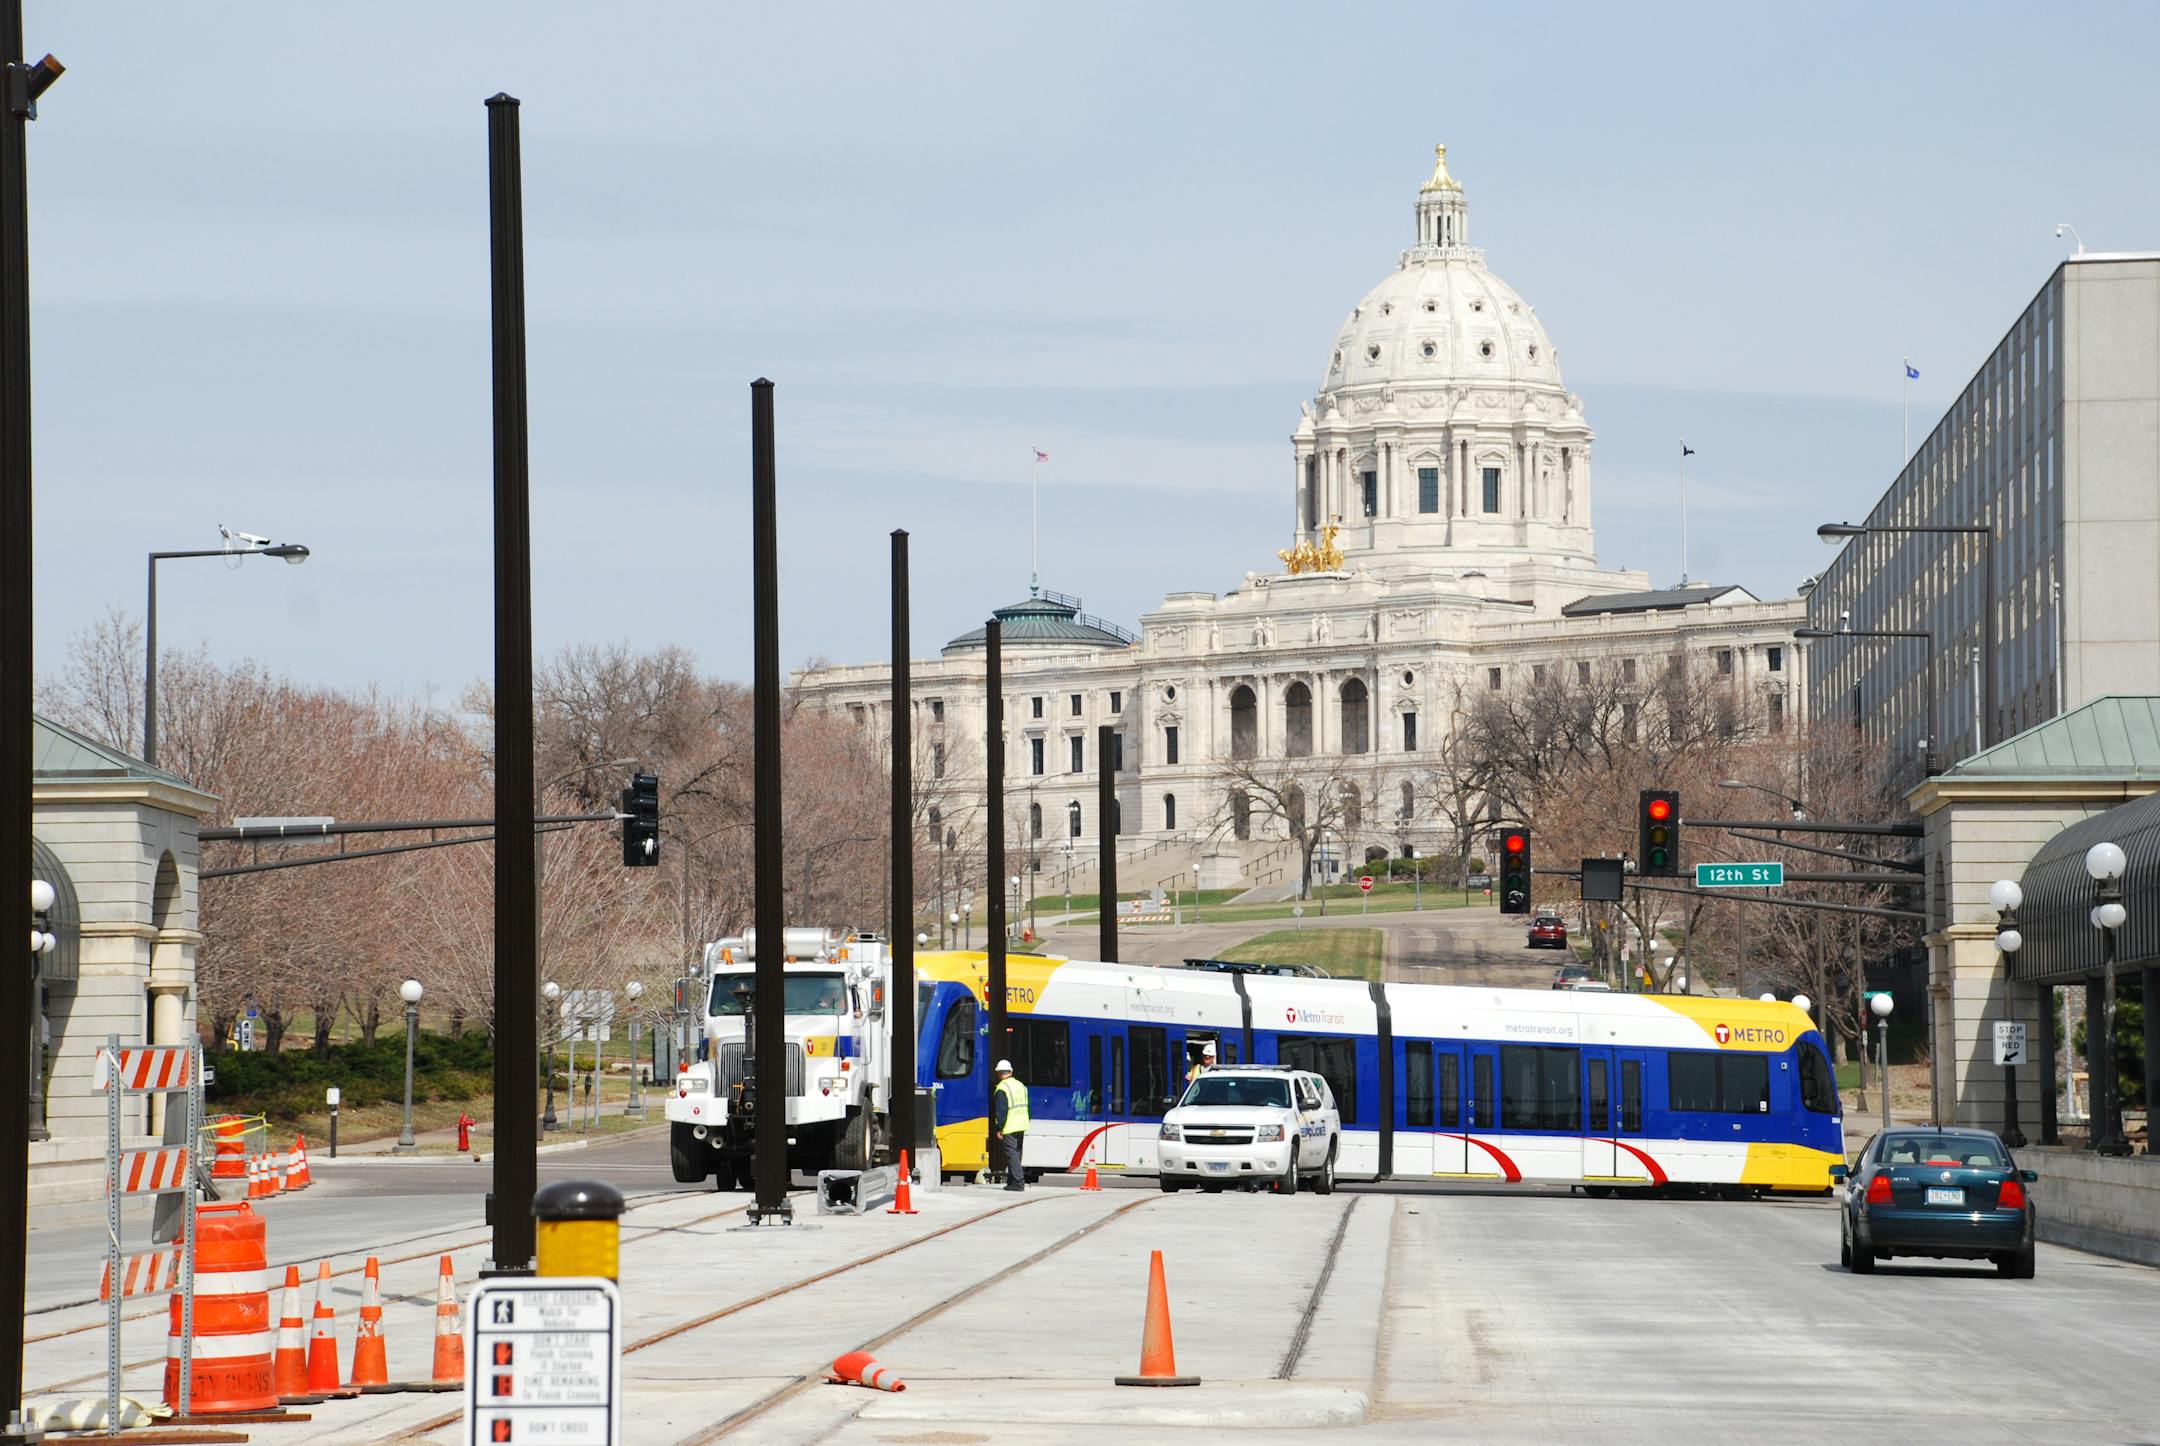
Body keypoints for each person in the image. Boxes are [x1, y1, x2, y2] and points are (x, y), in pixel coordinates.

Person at [990, 1059, 1029, 1192]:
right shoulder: (1021, 1085)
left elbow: (1001, 1111)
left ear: (999, 1074)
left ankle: (1018, 1182)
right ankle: (1013, 1182)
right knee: (1017, 1154)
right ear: (1011, 1071)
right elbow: (1028, 1108)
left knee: (1012, 1154)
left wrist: (1000, 1128)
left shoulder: (1002, 1088)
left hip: (1010, 1125)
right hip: (1022, 1123)